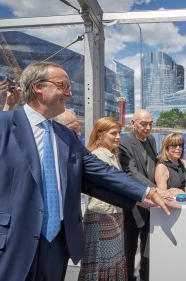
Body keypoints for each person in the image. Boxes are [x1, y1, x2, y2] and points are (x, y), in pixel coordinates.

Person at [0, 62, 177, 281]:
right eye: (62, 85)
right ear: (38, 87)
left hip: (56, 247)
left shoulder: (66, 137)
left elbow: (100, 171)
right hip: (7, 250)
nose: (68, 92)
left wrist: (147, 193)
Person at [78, 117, 127, 281]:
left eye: (119, 133)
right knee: (101, 265)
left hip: (112, 215)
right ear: (100, 135)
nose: (118, 137)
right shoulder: (99, 155)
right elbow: (116, 185)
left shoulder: (111, 154)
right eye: (113, 133)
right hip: (102, 217)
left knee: (111, 263)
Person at [118, 109, 157, 281]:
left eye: (150, 123)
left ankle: (145, 277)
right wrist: (154, 190)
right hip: (134, 205)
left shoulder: (152, 140)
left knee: (149, 250)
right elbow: (131, 172)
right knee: (129, 250)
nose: (147, 127)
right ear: (132, 123)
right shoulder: (125, 142)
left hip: (152, 207)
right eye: (143, 124)